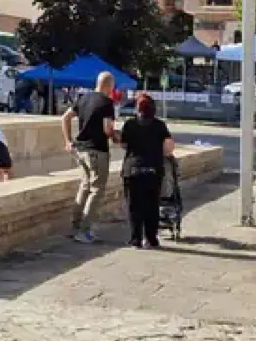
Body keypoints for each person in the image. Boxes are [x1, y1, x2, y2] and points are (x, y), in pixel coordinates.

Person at [62, 72, 116, 243]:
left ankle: (74, 227)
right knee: (97, 189)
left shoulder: (83, 98)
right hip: (97, 150)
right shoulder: (107, 103)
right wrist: (116, 136)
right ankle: (84, 231)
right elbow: (107, 129)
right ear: (109, 86)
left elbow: (65, 117)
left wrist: (68, 140)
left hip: (81, 150)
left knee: (84, 186)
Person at [119, 93, 175, 248]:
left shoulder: (130, 124)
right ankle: (151, 238)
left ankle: (136, 238)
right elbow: (169, 147)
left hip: (133, 170)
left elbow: (123, 145)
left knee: (134, 206)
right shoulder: (159, 125)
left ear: (137, 108)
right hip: (153, 170)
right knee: (152, 206)